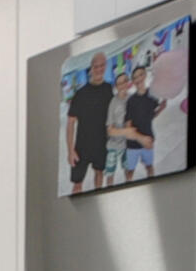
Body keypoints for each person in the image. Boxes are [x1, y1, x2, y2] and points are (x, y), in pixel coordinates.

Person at [64, 50, 117, 193]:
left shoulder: (108, 89)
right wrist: (70, 150)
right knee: (77, 183)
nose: (99, 69)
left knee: (99, 173)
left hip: (101, 144)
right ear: (91, 68)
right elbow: (70, 123)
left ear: (105, 66)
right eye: (96, 66)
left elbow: (113, 116)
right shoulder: (80, 94)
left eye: (102, 65)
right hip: (81, 147)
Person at [119, 57, 164, 179]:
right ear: (132, 81)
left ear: (144, 75)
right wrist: (141, 139)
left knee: (149, 167)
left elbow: (150, 116)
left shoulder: (152, 95)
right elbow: (128, 127)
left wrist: (162, 108)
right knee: (130, 172)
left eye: (140, 75)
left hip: (148, 141)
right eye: (135, 77)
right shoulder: (131, 101)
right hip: (133, 145)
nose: (138, 79)